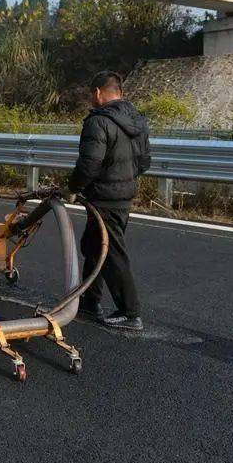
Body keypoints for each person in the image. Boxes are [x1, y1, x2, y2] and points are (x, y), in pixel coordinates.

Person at [68, 70, 151, 331]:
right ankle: (90, 302)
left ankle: (130, 312)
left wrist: (73, 187)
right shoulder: (137, 120)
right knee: (94, 246)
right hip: (123, 195)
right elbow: (144, 162)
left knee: (112, 253)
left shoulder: (98, 122)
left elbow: (89, 163)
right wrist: (124, 180)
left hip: (104, 197)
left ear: (97, 93)